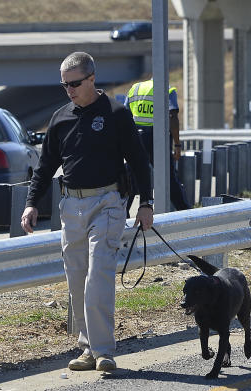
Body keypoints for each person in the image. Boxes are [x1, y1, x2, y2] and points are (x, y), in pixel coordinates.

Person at [20, 51, 153, 373]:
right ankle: (88, 348)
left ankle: (104, 350)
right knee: (77, 279)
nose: (70, 90)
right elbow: (45, 166)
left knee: (98, 276)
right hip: (71, 206)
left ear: (92, 78)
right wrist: (31, 202)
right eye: (65, 85)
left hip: (108, 203)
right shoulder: (60, 118)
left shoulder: (116, 114)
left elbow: (138, 161)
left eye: (75, 84)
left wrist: (146, 203)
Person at [125, 79, 189, 211]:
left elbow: (125, 115)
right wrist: (177, 145)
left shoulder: (135, 88)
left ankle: (122, 214)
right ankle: (185, 213)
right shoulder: (168, 89)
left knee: (132, 178)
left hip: (136, 137)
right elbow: (172, 117)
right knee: (168, 179)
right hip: (158, 139)